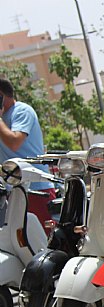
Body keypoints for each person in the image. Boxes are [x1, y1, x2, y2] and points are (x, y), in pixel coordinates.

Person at [0, 78, 55, 228]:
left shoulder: (22, 111)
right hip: (15, 191)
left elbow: (14, 142)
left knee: (46, 239)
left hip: (36, 189)